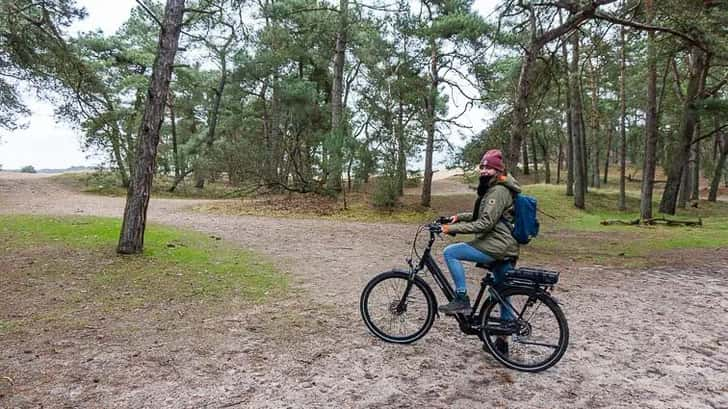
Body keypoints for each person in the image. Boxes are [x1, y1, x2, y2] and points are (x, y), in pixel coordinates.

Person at [439, 149, 521, 315]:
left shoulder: (498, 191)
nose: (484, 170)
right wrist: (458, 218)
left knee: (451, 252)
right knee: (502, 293)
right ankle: (502, 339)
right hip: (503, 246)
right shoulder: (494, 188)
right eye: (482, 167)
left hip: (496, 245)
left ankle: (461, 298)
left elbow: (485, 223)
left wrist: (451, 229)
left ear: (498, 170)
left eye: (488, 168)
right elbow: (483, 215)